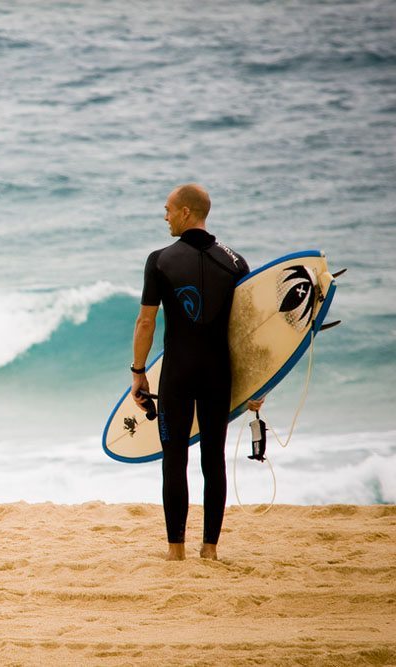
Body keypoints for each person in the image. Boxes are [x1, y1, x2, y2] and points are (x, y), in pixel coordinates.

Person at [130, 183, 264, 562]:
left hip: (178, 374)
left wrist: (138, 372)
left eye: (169, 208)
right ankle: (210, 550)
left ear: (187, 212)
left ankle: (176, 551)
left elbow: (145, 323)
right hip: (218, 375)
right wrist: (258, 381)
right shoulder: (236, 262)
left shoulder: (160, 260)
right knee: (213, 459)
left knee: (174, 459)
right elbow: (249, 331)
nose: (165, 215)